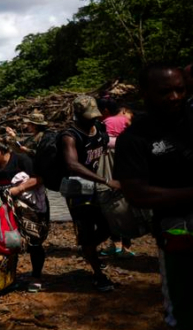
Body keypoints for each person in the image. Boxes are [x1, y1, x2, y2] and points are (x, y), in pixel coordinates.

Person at [116, 63, 193, 330]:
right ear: (145, 93)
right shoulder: (134, 138)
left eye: (180, 89)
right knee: (184, 309)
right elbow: (137, 193)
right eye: (164, 92)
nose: (174, 97)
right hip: (178, 230)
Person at [58, 95, 120, 292]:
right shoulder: (70, 135)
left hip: (99, 188)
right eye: (88, 116)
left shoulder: (99, 129)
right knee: (86, 230)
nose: (93, 119)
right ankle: (99, 276)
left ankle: (89, 249)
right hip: (79, 191)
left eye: (95, 115)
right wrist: (105, 180)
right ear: (77, 114)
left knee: (109, 226)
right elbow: (72, 165)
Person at [0, 137, 49, 292]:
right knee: (9, 241)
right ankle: (11, 275)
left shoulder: (22, 160)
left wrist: (18, 189)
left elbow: (39, 178)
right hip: (7, 211)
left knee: (34, 241)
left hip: (30, 208)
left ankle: (36, 277)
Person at [100, 104, 135, 257]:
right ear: (124, 111)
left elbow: (99, 139)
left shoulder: (106, 122)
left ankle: (116, 244)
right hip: (125, 157)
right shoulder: (127, 122)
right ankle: (126, 246)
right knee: (126, 200)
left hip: (107, 158)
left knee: (110, 199)